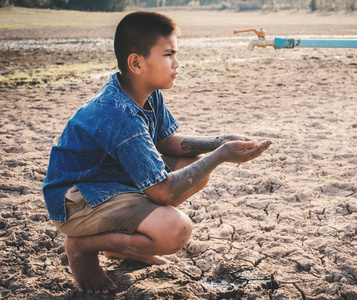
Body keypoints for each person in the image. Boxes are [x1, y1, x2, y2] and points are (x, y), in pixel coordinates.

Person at [42, 11, 271, 295]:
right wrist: (222, 154)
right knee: (174, 231)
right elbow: (163, 192)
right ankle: (83, 246)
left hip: (109, 181)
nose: (177, 63)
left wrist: (219, 141)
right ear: (136, 63)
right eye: (168, 54)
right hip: (77, 200)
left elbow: (167, 140)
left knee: (192, 166)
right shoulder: (119, 113)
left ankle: (125, 247)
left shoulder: (146, 91)